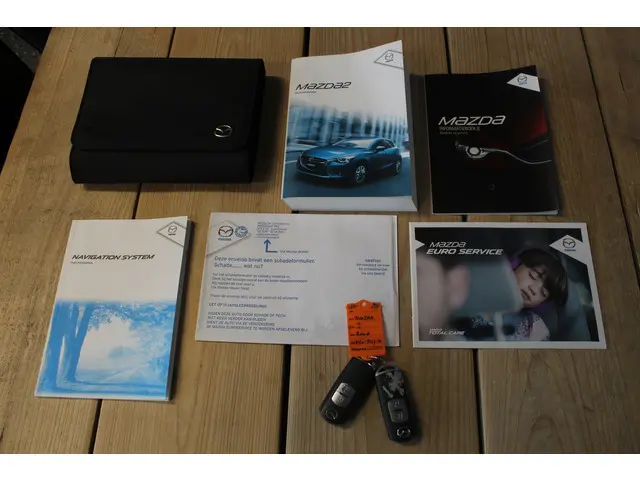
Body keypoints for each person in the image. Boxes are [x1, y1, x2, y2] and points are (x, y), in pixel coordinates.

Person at [417, 247, 569, 342]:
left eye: (543, 293)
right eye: (533, 275)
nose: (533, 289)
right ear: (515, 264)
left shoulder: (534, 327)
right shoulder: (471, 285)